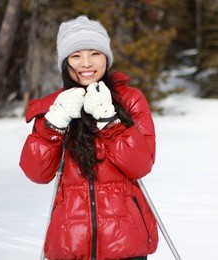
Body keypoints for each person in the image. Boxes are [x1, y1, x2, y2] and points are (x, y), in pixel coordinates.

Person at [19, 15, 158, 260]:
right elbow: (37, 173)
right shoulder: (53, 106)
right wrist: (55, 123)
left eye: (95, 53)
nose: (86, 63)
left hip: (125, 238)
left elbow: (140, 165)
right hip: (71, 239)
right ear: (65, 62)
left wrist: (109, 119)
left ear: (106, 57)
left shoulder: (129, 99)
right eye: (76, 56)